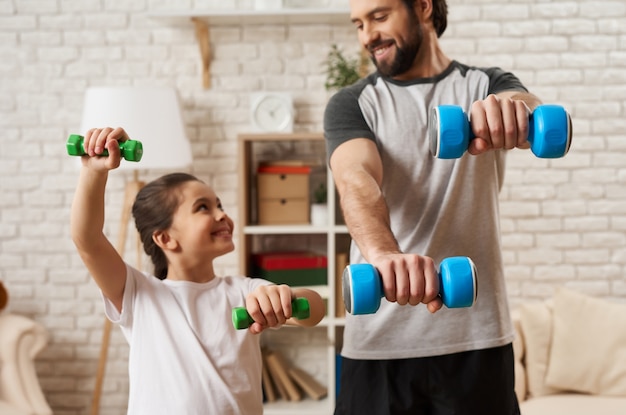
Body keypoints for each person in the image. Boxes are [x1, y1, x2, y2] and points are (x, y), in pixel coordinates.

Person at [324, 0, 542, 414]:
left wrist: (513, 112)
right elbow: (356, 180)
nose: (368, 35)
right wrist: (384, 255)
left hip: (476, 340)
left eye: (380, 16)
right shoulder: (354, 103)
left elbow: (525, 103)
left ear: (423, 7)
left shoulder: (485, 86)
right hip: (378, 346)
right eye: (359, 24)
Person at [70, 127, 325, 415]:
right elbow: (87, 239)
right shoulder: (138, 294)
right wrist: (93, 171)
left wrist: (285, 298)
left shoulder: (245, 292)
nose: (221, 215)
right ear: (165, 238)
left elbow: (314, 310)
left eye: (220, 205)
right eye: (203, 207)